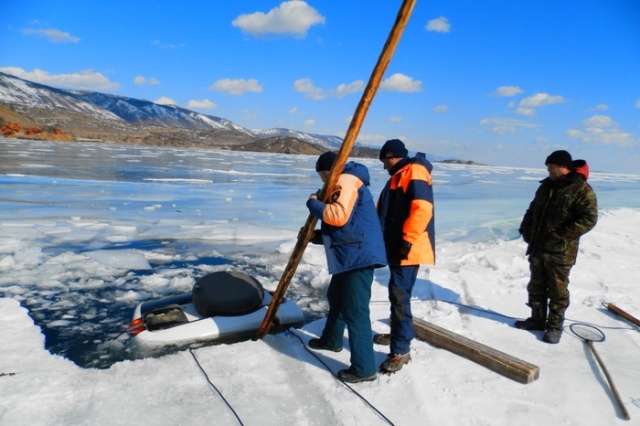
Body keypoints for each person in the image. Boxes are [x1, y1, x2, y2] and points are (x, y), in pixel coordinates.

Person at [306, 151, 387, 383]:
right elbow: (347, 225)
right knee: (337, 298)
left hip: (358, 256)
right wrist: (319, 236)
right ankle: (331, 340)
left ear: (328, 170)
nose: (322, 180)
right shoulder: (346, 180)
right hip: (351, 253)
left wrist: (313, 203)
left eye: (322, 175)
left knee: (355, 310)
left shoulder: (347, 180)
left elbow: (338, 216)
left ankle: (364, 369)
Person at [516, 150, 598, 344]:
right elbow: (532, 209)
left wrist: (560, 235)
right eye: (548, 167)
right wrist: (525, 228)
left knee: (557, 290)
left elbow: (589, 219)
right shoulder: (546, 187)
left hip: (561, 251)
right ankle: (537, 319)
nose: (548, 170)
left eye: (551, 166)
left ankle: (554, 326)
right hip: (538, 247)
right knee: (536, 285)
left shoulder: (581, 190)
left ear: (563, 167)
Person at [374, 139, 435, 373]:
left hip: (408, 247)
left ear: (391, 156)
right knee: (398, 293)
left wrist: (407, 241)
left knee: (399, 295)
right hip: (400, 245)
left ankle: (401, 349)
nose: (383, 166)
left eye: (384, 161)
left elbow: (422, 208)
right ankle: (398, 333)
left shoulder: (414, 172)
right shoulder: (400, 174)